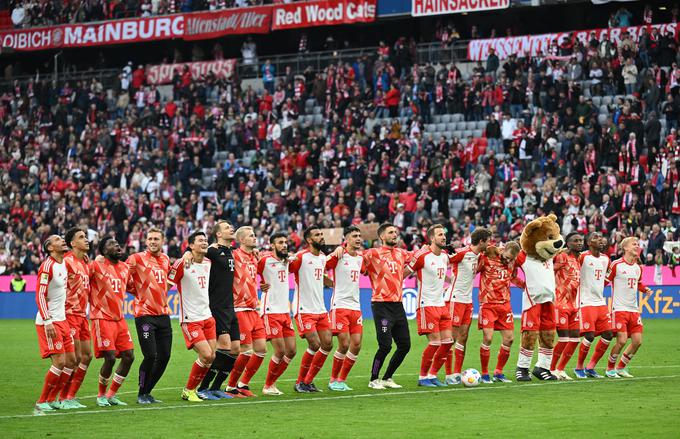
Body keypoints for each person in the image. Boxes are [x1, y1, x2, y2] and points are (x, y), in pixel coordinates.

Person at [363, 223, 413, 390]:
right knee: (385, 345)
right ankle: (373, 379)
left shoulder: (401, 253)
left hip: (398, 306)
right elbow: (356, 259)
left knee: (405, 345)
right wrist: (341, 249)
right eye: (391, 232)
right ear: (382, 237)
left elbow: (419, 255)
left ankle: (387, 377)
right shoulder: (372, 254)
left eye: (396, 232)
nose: (394, 234)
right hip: (381, 306)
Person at [126, 227, 172, 404]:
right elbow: (122, 274)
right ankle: (141, 392)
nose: (153, 242)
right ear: (146, 241)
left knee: (165, 356)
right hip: (144, 316)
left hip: (163, 315)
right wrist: (136, 291)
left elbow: (168, 281)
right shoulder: (136, 258)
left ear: (162, 241)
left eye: (156, 239)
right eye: (150, 239)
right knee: (150, 355)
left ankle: (148, 392)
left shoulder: (166, 259)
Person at [169, 231, 215, 402]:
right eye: (200, 240)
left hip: (207, 316)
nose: (204, 242)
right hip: (191, 319)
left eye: (206, 240)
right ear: (191, 245)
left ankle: (193, 390)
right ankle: (188, 390)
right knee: (205, 354)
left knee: (211, 356)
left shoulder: (209, 262)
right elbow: (167, 284)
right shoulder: (183, 263)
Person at [89, 236, 134, 407]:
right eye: (111, 244)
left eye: (117, 242)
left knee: (129, 356)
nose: (117, 244)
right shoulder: (95, 266)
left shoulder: (124, 267)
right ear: (104, 251)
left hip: (119, 318)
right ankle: (101, 395)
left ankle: (111, 394)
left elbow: (131, 286)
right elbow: (81, 279)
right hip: (102, 318)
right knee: (110, 357)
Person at [195, 220, 238, 399]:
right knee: (225, 347)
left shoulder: (229, 251)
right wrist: (189, 255)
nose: (231, 229)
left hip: (230, 305)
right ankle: (202, 388)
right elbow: (193, 253)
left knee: (236, 349)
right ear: (218, 234)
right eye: (227, 228)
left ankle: (216, 387)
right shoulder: (211, 250)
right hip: (217, 305)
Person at [33, 235, 77, 414]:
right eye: (58, 240)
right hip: (49, 321)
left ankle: (53, 398)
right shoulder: (47, 266)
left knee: (71, 361)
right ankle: (42, 400)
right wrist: (48, 320)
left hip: (62, 319)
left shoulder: (63, 263)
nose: (62, 241)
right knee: (59, 361)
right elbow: (40, 295)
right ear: (50, 248)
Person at [405, 224, 451, 388]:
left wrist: (450, 281)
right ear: (432, 238)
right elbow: (404, 273)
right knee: (435, 342)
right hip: (426, 304)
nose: (443, 237)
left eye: (444, 234)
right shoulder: (422, 256)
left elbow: (441, 273)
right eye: (439, 234)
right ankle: (423, 377)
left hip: (441, 304)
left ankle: (432, 375)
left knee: (447, 342)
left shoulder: (445, 256)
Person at [444, 227, 491, 385]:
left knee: (463, 337)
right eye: (488, 241)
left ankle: (457, 373)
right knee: (451, 338)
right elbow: (443, 261)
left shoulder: (480, 256)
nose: (490, 243)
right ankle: (449, 374)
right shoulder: (462, 253)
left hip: (468, 301)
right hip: (455, 299)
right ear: (481, 241)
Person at [289, 225, 333, 393]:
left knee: (327, 344)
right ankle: (300, 382)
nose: (321, 237)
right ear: (309, 240)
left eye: (322, 234)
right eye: (317, 235)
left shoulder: (322, 257)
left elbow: (319, 276)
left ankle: (308, 381)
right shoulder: (300, 257)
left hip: (320, 308)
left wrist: (332, 283)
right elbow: (286, 269)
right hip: (304, 308)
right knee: (314, 344)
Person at [225, 226, 267, 397]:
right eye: (251, 236)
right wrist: (188, 254)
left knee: (261, 349)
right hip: (239, 308)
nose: (255, 238)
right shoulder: (233, 255)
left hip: (253, 308)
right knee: (246, 350)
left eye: (255, 235)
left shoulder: (255, 257)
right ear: (241, 240)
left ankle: (243, 384)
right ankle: (230, 386)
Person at [605, 237, 652, 378]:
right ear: (625, 248)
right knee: (622, 340)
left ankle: (621, 367)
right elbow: (604, 282)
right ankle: (609, 369)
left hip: (634, 310)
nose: (637, 246)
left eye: (638, 244)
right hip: (619, 309)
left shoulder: (638, 267)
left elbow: (638, 283)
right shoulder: (616, 264)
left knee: (637, 341)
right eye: (634, 244)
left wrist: (645, 290)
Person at [326, 225, 365, 391]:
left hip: (355, 306)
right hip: (340, 305)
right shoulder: (338, 255)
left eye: (359, 236)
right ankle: (333, 379)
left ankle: (342, 379)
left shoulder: (361, 258)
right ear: (346, 239)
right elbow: (321, 268)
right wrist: (332, 284)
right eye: (354, 236)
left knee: (356, 345)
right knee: (344, 344)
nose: (358, 239)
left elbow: (366, 272)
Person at [476, 241, 521, 384]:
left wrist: (525, 286)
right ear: (503, 249)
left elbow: (512, 277)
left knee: (509, 339)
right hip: (488, 303)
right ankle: (484, 374)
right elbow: (475, 266)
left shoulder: (513, 262)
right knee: (488, 338)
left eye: (511, 259)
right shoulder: (488, 256)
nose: (508, 260)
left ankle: (498, 372)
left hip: (505, 304)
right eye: (507, 257)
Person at [258, 232, 296, 395]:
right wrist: (259, 284)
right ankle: (268, 385)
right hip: (270, 311)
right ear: (272, 245)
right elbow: (249, 272)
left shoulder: (287, 261)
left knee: (292, 351)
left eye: (285, 242)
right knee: (279, 351)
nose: (284, 245)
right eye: (280, 242)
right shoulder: (265, 260)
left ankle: (272, 383)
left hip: (284, 312)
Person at [59, 228, 92, 408]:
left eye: (86, 237)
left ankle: (71, 395)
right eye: (81, 237)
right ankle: (63, 398)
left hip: (82, 315)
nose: (86, 240)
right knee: (76, 358)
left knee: (87, 356)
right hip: (69, 314)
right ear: (72, 243)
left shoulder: (85, 262)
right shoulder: (67, 262)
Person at [574, 232, 613, 379]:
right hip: (586, 301)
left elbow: (605, 278)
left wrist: (599, 288)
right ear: (589, 242)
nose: (600, 239)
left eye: (601, 237)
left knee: (608, 334)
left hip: (600, 302)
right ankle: (579, 367)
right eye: (596, 238)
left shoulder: (606, 259)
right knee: (589, 335)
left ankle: (590, 367)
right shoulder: (583, 256)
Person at [550, 232, 583, 380]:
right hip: (560, 303)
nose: (579, 243)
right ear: (568, 243)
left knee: (575, 338)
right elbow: (549, 271)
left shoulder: (578, 260)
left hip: (573, 304)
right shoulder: (562, 257)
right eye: (575, 241)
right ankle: (551, 369)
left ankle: (561, 369)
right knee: (563, 338)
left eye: (581, 240)